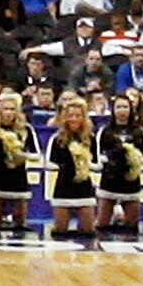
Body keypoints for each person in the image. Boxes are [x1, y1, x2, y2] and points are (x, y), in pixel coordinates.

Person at [93, 87, 143, 240]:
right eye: (118, 107)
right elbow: (97, 155)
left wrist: (133, 159)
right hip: (109, 179)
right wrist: (110, 159)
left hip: (130, 180)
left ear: (131, 109)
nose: (122, 110)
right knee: (102, 222)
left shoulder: (138, 131)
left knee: (132, 224)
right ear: (113, 110)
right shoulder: (105, 131)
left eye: (125, 107)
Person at [0, 90, 35, 235]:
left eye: (12, 109)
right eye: (6, 109)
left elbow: (36, 153)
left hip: (19, 175)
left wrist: (22, 156)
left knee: (21, 224)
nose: (9, 113)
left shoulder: (26, 130)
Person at [46, 96, 97, 243]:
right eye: (70, 116)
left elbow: (97, 163)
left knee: (88, 230)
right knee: (60, 231)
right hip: (63, 186)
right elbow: (49, 163)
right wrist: (65, 165)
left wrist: (84, 163)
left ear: (84, 117)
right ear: (64, 117)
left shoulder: (90, 138)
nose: (74, 119)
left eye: (78, 116)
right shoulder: (57, 138)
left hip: (84, 187)